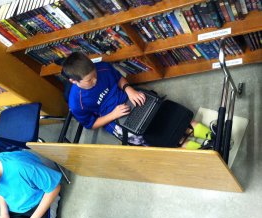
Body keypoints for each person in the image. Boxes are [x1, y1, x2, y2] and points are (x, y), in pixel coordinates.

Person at [62, 52, 213, 148]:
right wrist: (113, 115)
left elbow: (118, 78)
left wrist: (129, 89)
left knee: (161, 110)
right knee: (148, 135)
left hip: (128, 97)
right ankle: (183, 142)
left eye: (95, 75)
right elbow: (90, 124)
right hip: (115, 118)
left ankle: (193, 127)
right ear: (73, 81)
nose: (95, 80)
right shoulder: (76, 103)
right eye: (89, 80)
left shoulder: (102, 67)